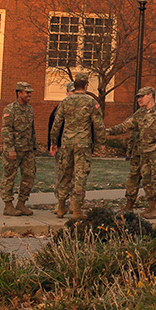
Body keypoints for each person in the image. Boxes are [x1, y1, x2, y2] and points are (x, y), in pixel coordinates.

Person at [106, 86, 156, 219]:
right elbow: (125, 125)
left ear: (150, 95)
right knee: (144, 180)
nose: (139, 99)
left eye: (141, 96)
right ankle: (147, 206)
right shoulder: (139, 114)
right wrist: (109, 131)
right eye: (138, 97)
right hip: (142, 153)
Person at [49, 72, 106, 219]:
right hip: (83, 144)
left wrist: (54, 143)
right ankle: (77, 210)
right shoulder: (91, 102)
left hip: (67, 143)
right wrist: (101, 143)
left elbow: (56, 124)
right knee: (80, 175)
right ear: (86, 85)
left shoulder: (65, 102)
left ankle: (61, 206)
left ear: (74, 85)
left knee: (64, 173)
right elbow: (98, 124)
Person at [0, 81, 37, 217]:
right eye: (27, 93)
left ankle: (21, 203)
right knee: (10, 176)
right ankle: (8, 205)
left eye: (30, 93)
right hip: (14, 150)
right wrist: (10, 148)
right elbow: (6, 130)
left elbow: (32, 129)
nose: (29, 95)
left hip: (27, 150)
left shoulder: (29, 109)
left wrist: (34, 146)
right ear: (18, 93)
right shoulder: (10, 110)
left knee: (29, 176)